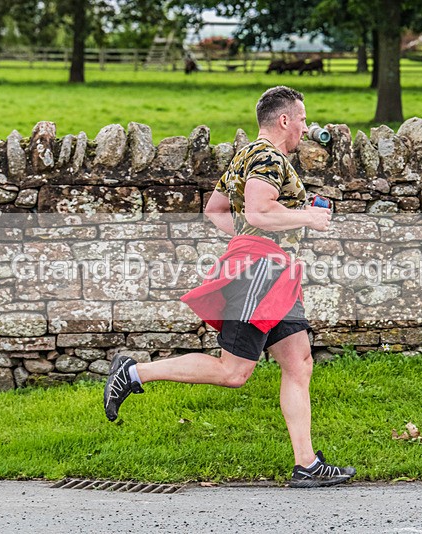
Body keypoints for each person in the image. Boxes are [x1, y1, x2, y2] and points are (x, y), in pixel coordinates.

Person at [103, 86, 356, 488]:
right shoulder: (268, 157)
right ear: (284, 120)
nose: (306, 128)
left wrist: (247, 234)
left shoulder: (244, 156)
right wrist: (306, 217)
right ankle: (134, 373)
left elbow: (216, 210)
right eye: (303, 120)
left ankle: (306, 464)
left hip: (275, 273)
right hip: (259, 272)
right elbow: (258, 209)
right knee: (234, 371)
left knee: (299, 363)